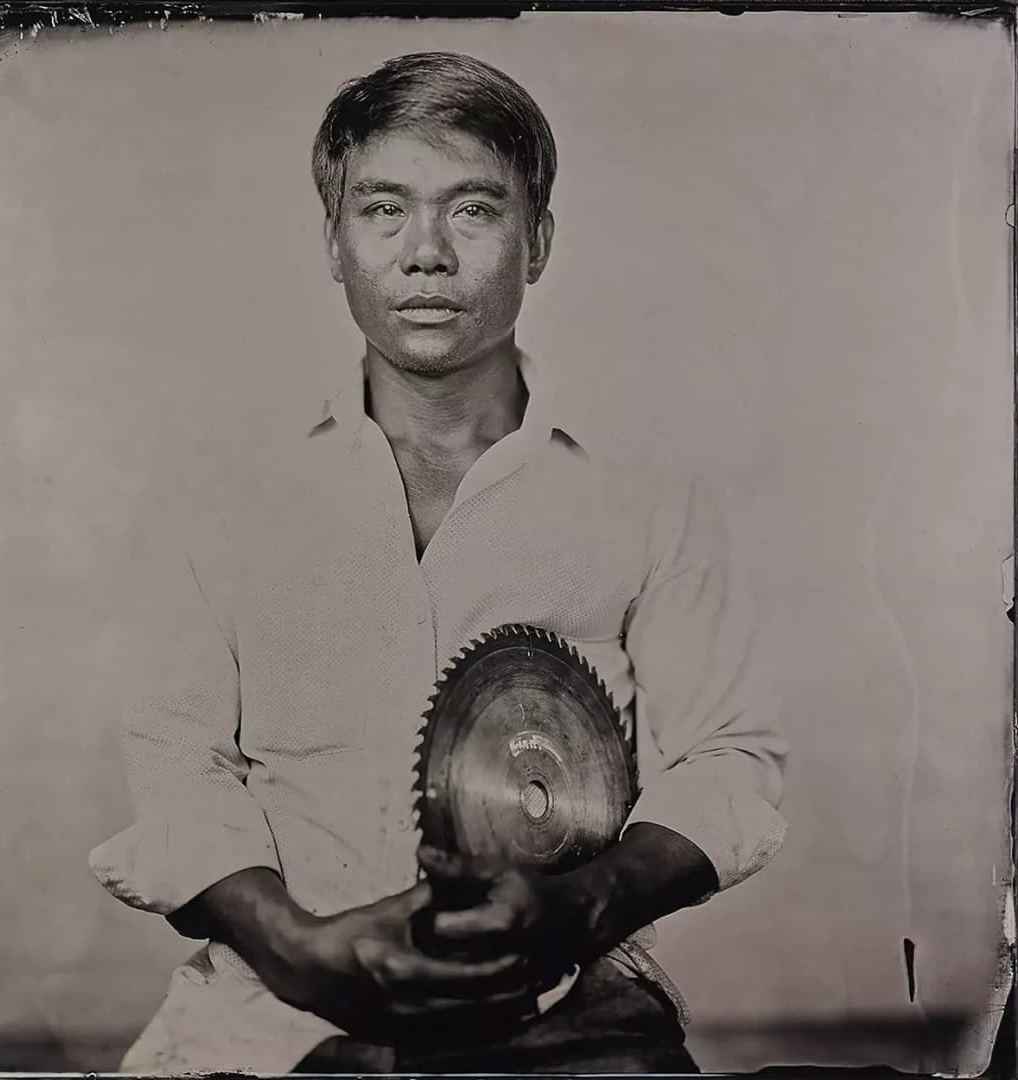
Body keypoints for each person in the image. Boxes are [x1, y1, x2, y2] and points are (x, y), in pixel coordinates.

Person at [89, 51, 789, 1075]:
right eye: (383, 209)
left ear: (536, 241)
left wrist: (578, 906)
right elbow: (176, 766)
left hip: (567, 1015)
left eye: (473, 210)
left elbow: (732, 758)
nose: (426, 254)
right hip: (270, 1021)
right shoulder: (226, 504)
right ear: (335, 243)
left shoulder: (647, 500)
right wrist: (300, 948)